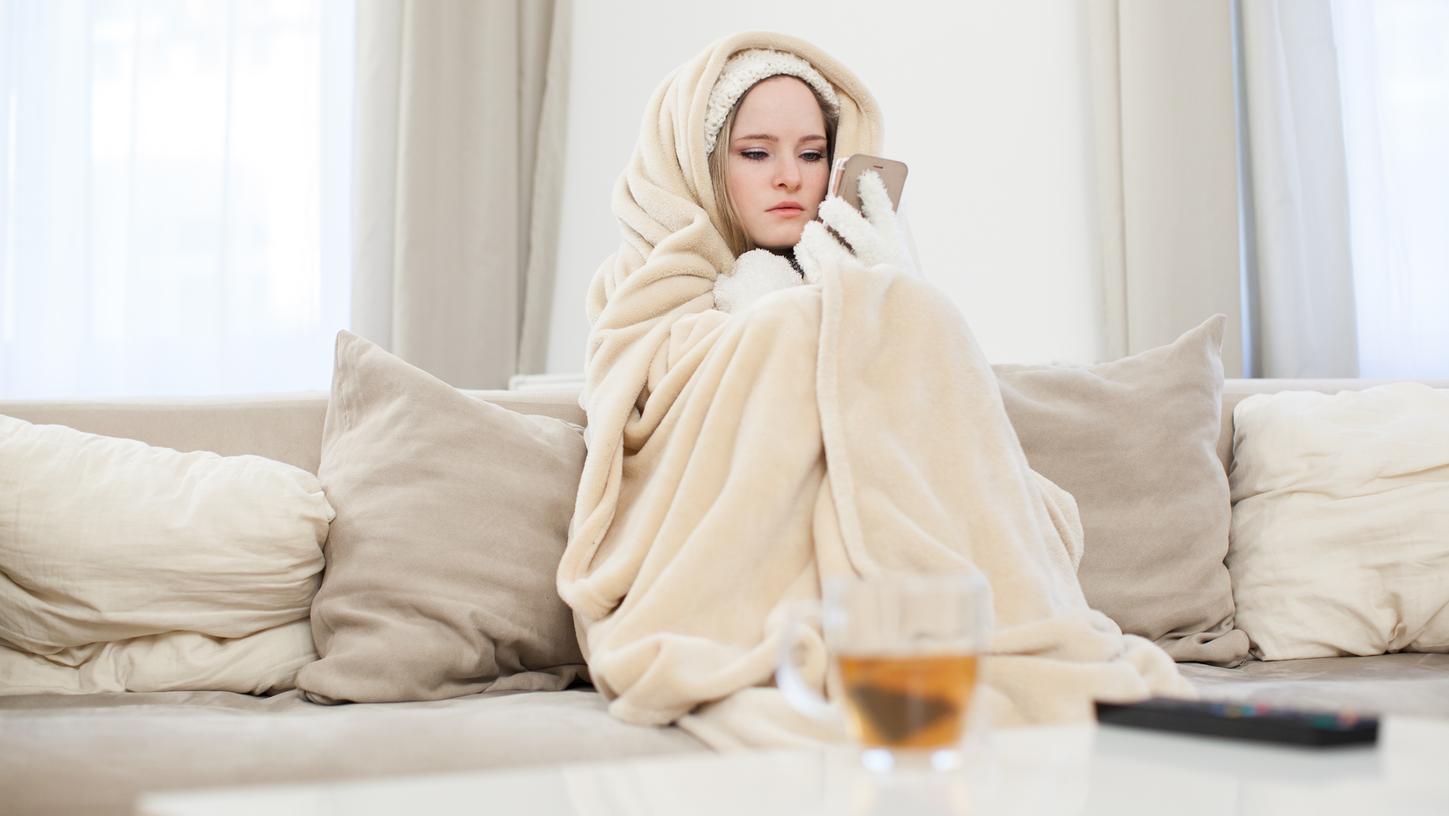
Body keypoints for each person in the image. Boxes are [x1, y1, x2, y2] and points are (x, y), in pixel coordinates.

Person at [558, 31, 1189, 750]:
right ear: (704, 164)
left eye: (812, 153)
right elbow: (645, 405)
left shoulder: (849, 274)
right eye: (755, 153)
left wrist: (866, 286)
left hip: (884, 526)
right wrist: (777, 315)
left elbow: (937, 423)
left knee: (914, 308)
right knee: (824, 319)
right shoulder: (642, 279)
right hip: (737, 537)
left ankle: (944, 624)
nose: (788, 178)